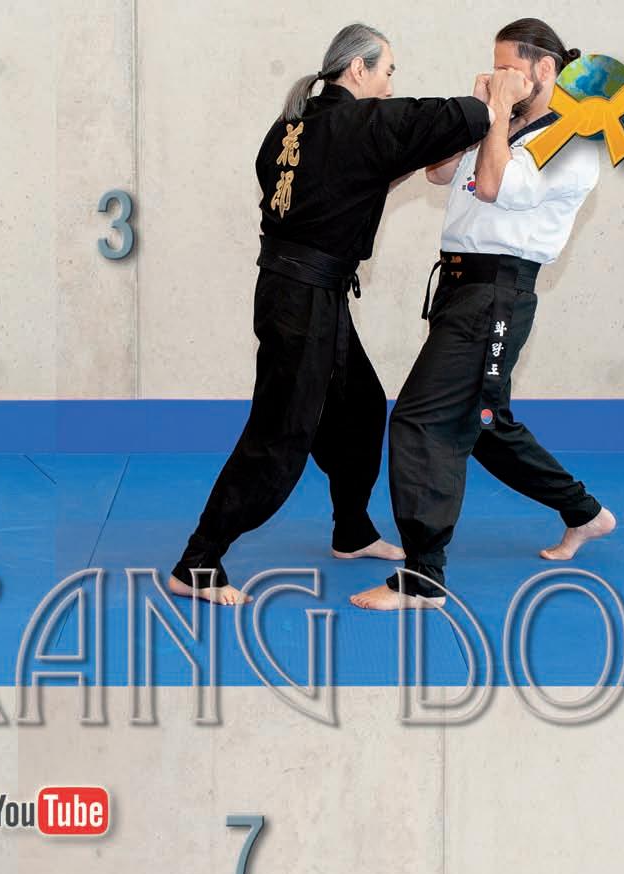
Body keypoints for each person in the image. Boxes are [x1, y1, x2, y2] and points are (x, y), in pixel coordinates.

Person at [165, 24, 505, 608]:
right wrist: (495, 100)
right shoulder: (358, 122)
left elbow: (345, 183)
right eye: (387, 70)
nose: (390, 83)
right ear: (357, 69)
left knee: (360, 407)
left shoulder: (291, 128)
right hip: (301, 300)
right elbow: (447, 117)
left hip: (303, 293)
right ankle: (198, 560)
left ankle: (352, 530)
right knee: (280, 434)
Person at [353, 17, 614, 611]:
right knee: (486, 423)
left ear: (544, 69)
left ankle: (424, 577)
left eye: (510, 69)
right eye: (495, 69)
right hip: (459, 286)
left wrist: (495, 117)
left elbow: (491, 186)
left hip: (497, 293)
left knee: (421, 420)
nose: (501, 79)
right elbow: (440, 172)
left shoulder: (571, 141)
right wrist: (478, 113)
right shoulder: (501, 123)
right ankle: (584, 513)